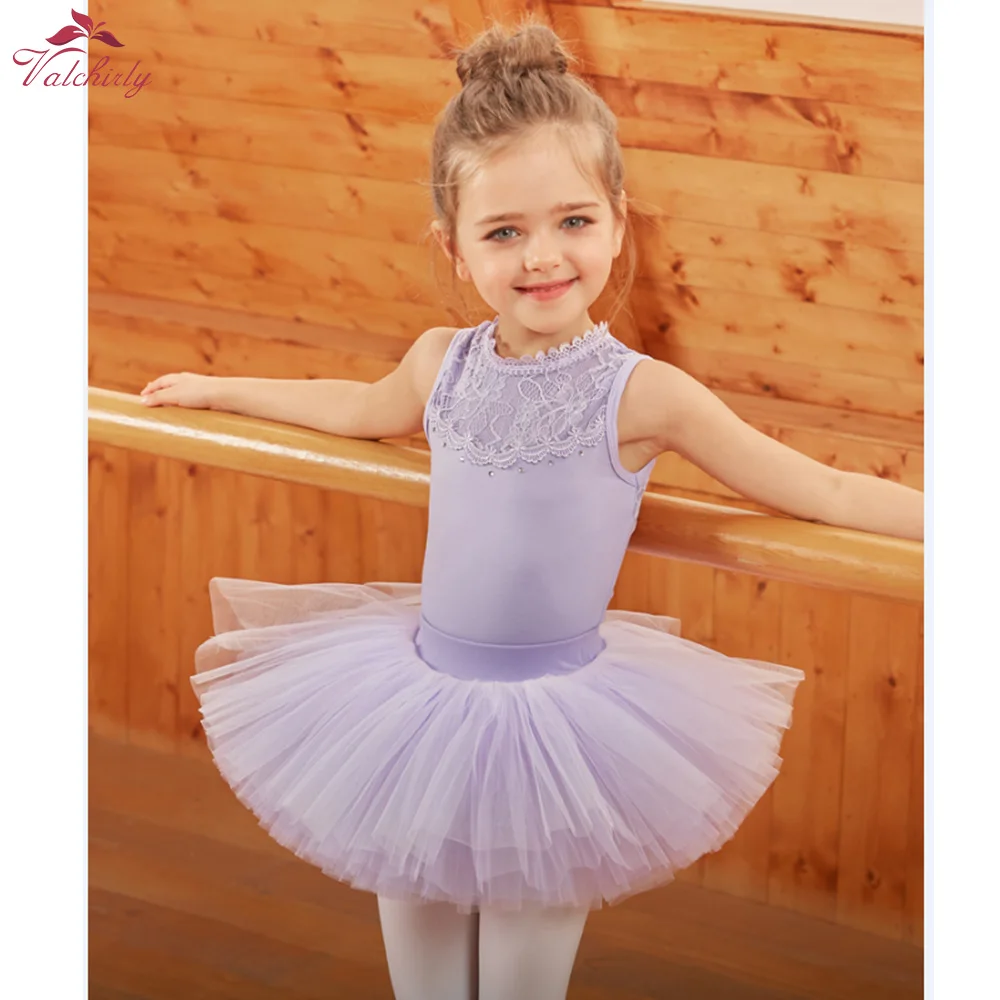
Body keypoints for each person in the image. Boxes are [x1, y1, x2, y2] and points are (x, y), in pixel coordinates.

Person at [138, 22, 923, 1000]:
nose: (541, 256)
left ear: (618, 221)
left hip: (559, 729)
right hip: (412, 700)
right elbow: (350, 406)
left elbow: (828, 489)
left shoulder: (645, 394)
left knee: (516, 982)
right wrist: (225, 389)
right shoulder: (439, 361)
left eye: (572, 222)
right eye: (503, 232)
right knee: (420, 966)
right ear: (455, 247)